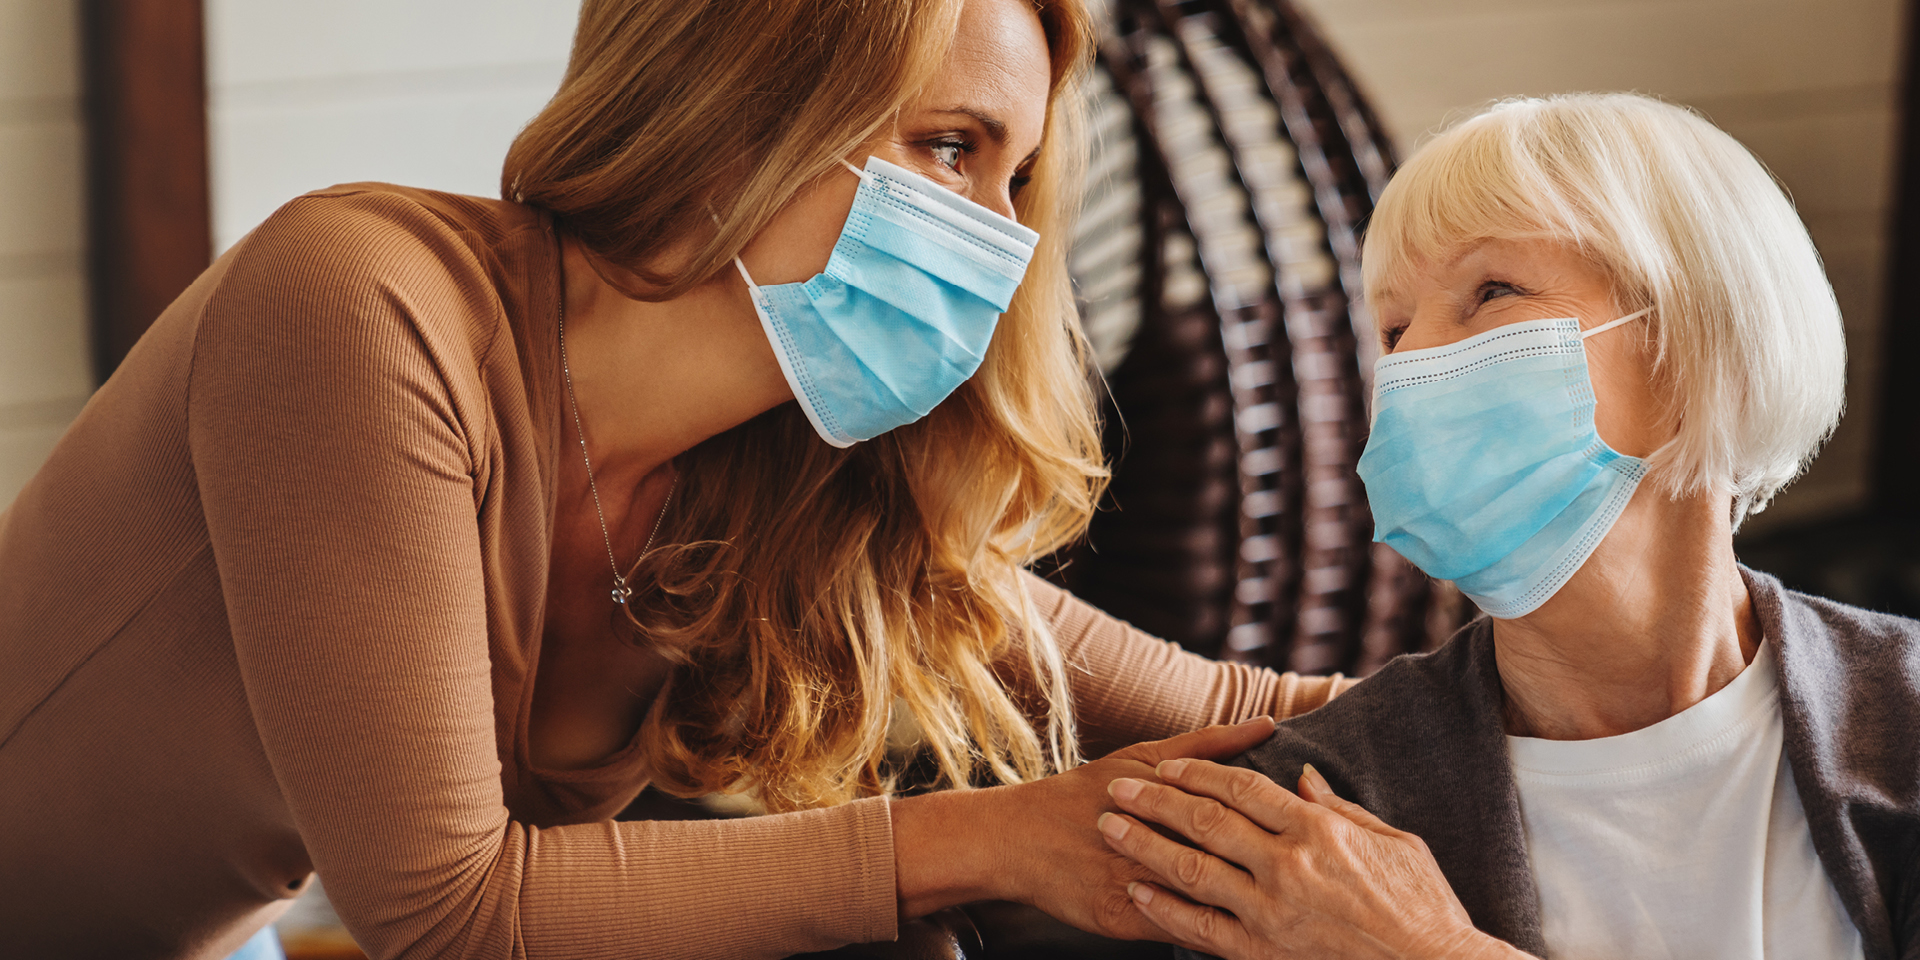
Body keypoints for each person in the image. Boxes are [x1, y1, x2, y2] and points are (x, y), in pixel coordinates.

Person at [0, 1, 1353, 958]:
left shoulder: (766, 481)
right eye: (949, 146)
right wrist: (996, 840)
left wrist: (1484, 714)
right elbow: (450, 912)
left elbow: (1236, 707)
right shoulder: (356, 305)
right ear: (738, 109)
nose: (998, 239)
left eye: (1019, 175)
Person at [1093, 93, 1920, 959]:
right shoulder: (1310, 816)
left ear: (1697, 344)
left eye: (1492, 290)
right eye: (1394, 328)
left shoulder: (1901, 716)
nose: (1412, 364)